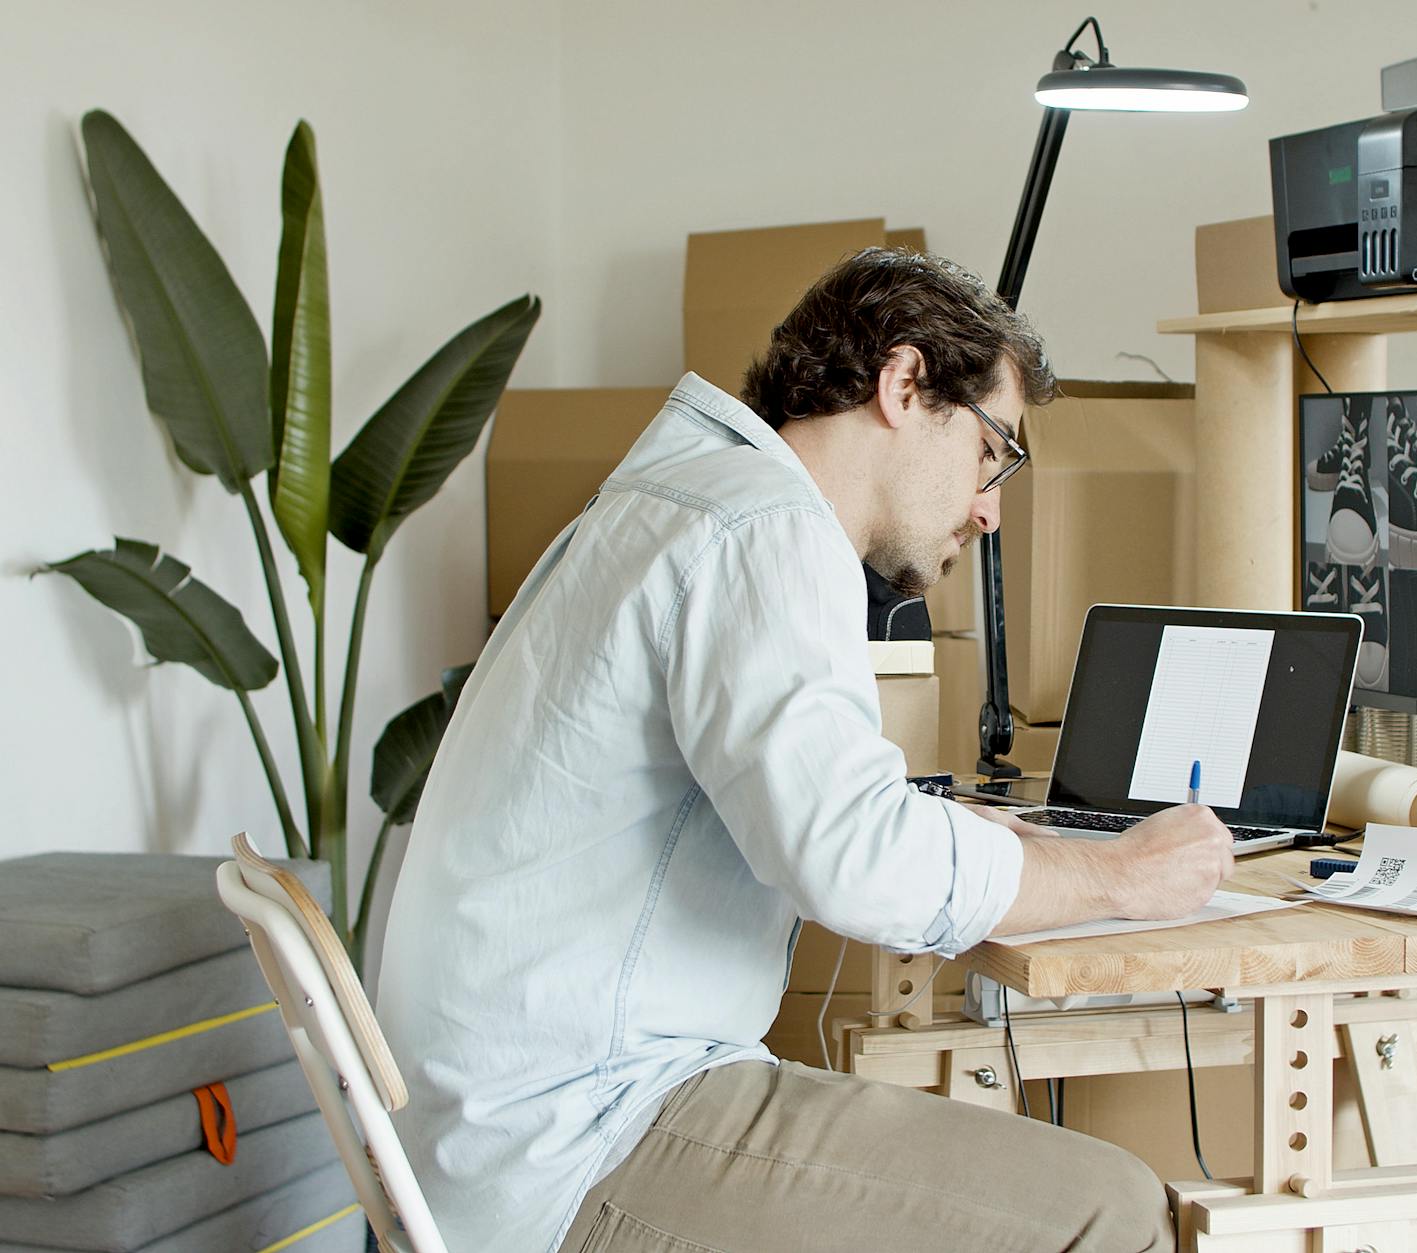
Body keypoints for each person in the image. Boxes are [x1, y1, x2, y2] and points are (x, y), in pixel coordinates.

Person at [376, 249, 1235, 1253]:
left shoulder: (685, 499)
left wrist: (985, 842)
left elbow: (824, 805)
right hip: (580, 1143)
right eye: (991, 450)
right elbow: (850, 857)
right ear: (905, 385)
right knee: (1111, 1205)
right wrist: (1115, 875)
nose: (989, 507)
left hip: (501, 1129)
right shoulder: (762, 529)